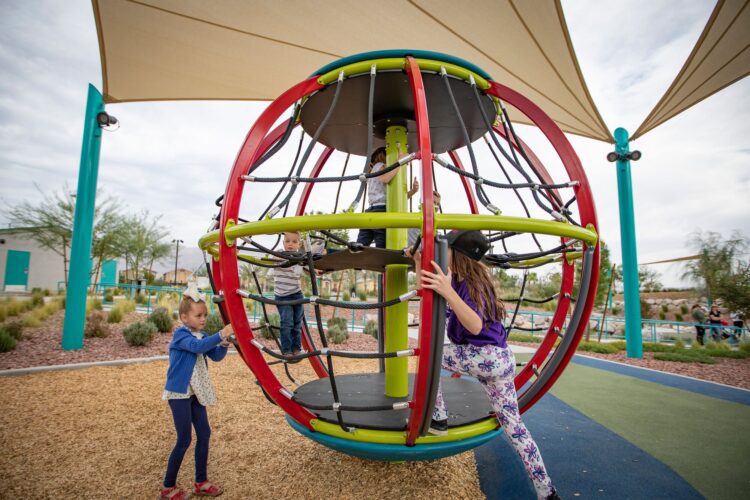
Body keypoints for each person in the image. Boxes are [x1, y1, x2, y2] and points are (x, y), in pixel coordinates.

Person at [412, 230, 558, 500]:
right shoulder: (467, 279)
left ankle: (439, 417)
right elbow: (428, 288)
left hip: (484, 357)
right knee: (515, 427)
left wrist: (447, 292)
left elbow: (475, 325)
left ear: (457, 254)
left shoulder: (466, 284)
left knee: (428, 354)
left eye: (448, 250)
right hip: (502, 360)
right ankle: (547, 491)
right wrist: (418, 263)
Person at [161, 289, 233, 499]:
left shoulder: (201, 335)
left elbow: (216, 355)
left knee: (204, 434)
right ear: (184, 317)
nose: (202, 319)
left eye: (204, 315)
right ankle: (167, 487)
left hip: (196, 393)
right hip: (179, 394)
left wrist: (225, 342)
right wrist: (220, 334)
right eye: (198, 315)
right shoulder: (181, 335)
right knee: (184, 439)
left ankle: (201, 481)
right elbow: (197, 347)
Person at [356, 147, 408, 248]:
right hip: (381, 210)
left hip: (371, 210)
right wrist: (399, 162)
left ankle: (348, 258)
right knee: (383, 245)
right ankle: (382, 263)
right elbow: (385, 179)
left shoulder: (372, 172)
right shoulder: (380, 166)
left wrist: (412, 192)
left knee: (360, 246)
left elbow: (395, 197)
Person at [269, 231, 306, 356]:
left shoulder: (300, 257)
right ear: (283, 242)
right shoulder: (279, 253)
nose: (291, 244)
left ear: (299, 244)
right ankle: (286, 350)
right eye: (288, 241)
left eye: (294, 242)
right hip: (283, 295)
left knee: (296, 323)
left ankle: (296, 348)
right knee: (287, 322)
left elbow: (306, 269)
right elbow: (272, 258)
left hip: (297, 293)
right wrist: (287, 257)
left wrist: (316, 269)